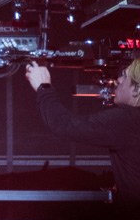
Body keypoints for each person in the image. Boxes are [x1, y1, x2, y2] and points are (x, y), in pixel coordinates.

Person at [25, 58, 140, 206]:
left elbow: (62, 124)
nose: (118, 79)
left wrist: (44, 87)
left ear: (136, 90)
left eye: (125, 75)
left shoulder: (128, 119)